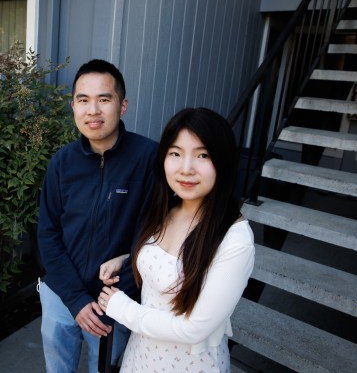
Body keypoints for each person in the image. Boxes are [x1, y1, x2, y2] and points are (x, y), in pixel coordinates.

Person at [97, 107, 255, 372]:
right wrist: (126, 258)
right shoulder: (167, 208)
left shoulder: (235, 240)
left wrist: (121, 308)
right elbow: (167, 258)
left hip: (188, 364)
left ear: (223, 161)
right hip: (141, 356)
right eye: (175, 154)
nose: (186, 168)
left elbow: (195, 329)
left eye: (202, 155)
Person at [37, 59, 158, 373]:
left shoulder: (149, 159)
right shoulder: (61, 163)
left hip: (116, 299)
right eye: (83, 100)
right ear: (73, 106)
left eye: (104, 99)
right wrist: (75, 299)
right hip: (62, 292)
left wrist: (119, 296)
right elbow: (47, 234)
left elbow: (158, 236)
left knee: (106, 367)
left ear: (123, 105)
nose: (93, 110)